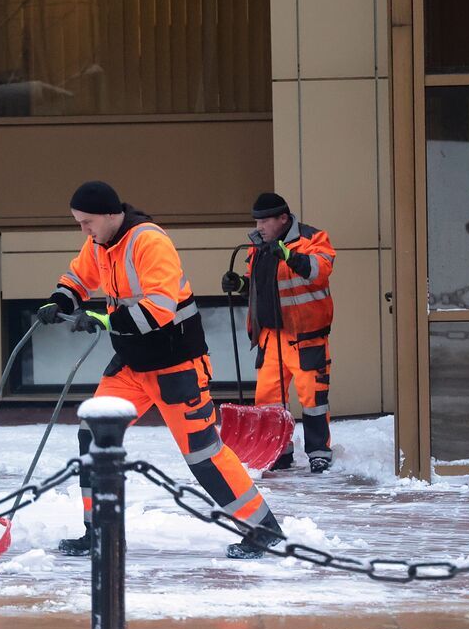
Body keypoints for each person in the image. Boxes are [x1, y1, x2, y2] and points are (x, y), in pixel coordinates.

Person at [36, 181, 284, 560]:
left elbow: (159, 309)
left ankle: (262, 530)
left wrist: (103, 319)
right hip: (132, 364)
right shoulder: (101, 244)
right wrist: (60, 300)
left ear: (107, 214)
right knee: (93, 436)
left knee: (202, 452)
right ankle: (98, 532)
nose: (83, 230)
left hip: (176, 364)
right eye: (79, 224)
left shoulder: (149, 242)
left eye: (86, 222)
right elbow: (80, 276)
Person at [221, 193, 336, 473]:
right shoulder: (257, 247)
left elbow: (318, 271)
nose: (259, 226)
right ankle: (280, 452)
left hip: (306, 335)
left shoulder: (313, 239)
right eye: (257, 220)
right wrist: (238, 284)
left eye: (264, 220)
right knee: (269, 399)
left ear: (283, 219)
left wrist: (288, 254)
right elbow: (256, 284)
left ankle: (319, 453)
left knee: (313, 398)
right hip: (270, 336)